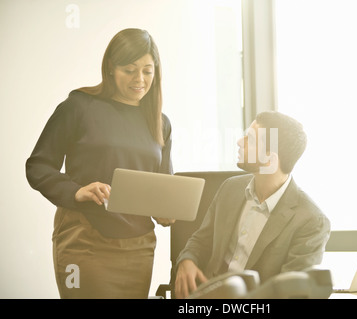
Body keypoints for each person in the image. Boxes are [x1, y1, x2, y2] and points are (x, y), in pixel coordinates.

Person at [25, 28, 174, 299]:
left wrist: (166, 212)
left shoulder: (160, 122)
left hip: (139, 247)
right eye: (129, 69)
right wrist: (74, 191)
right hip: (84, 241)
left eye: (147, 70)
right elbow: (38, 166)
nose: (139, 79)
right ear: (110, 68)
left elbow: (162, 186)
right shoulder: (78, 107)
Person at [174, 111, 330, 299]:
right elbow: (201, 239)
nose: (240, 142)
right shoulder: (230, 188)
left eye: (250, 140)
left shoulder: (311, 221)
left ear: (270, 160)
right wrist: (187, 260)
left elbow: (292, 292)